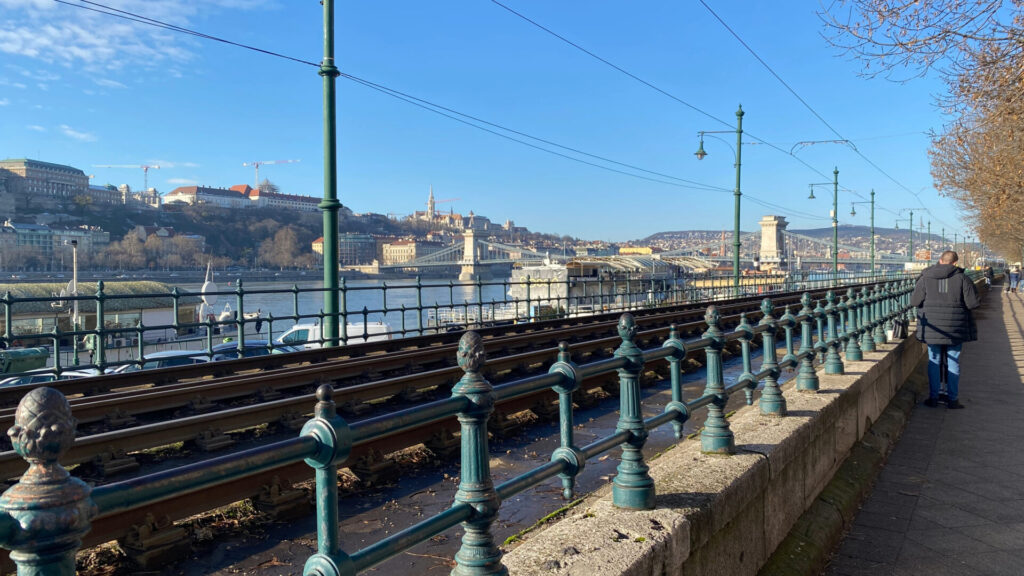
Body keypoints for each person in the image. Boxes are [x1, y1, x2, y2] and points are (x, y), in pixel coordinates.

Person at [911, 250, 980, 409]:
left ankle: (934, 398)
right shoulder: (963, 278)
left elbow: (915, 301)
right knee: (953, 361)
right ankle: (952, 399)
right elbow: (973, 304)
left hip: (932, 328)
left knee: (934, 361)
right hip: (955, 328)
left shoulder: (925, 277)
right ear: (955, 263)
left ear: (940, 260)